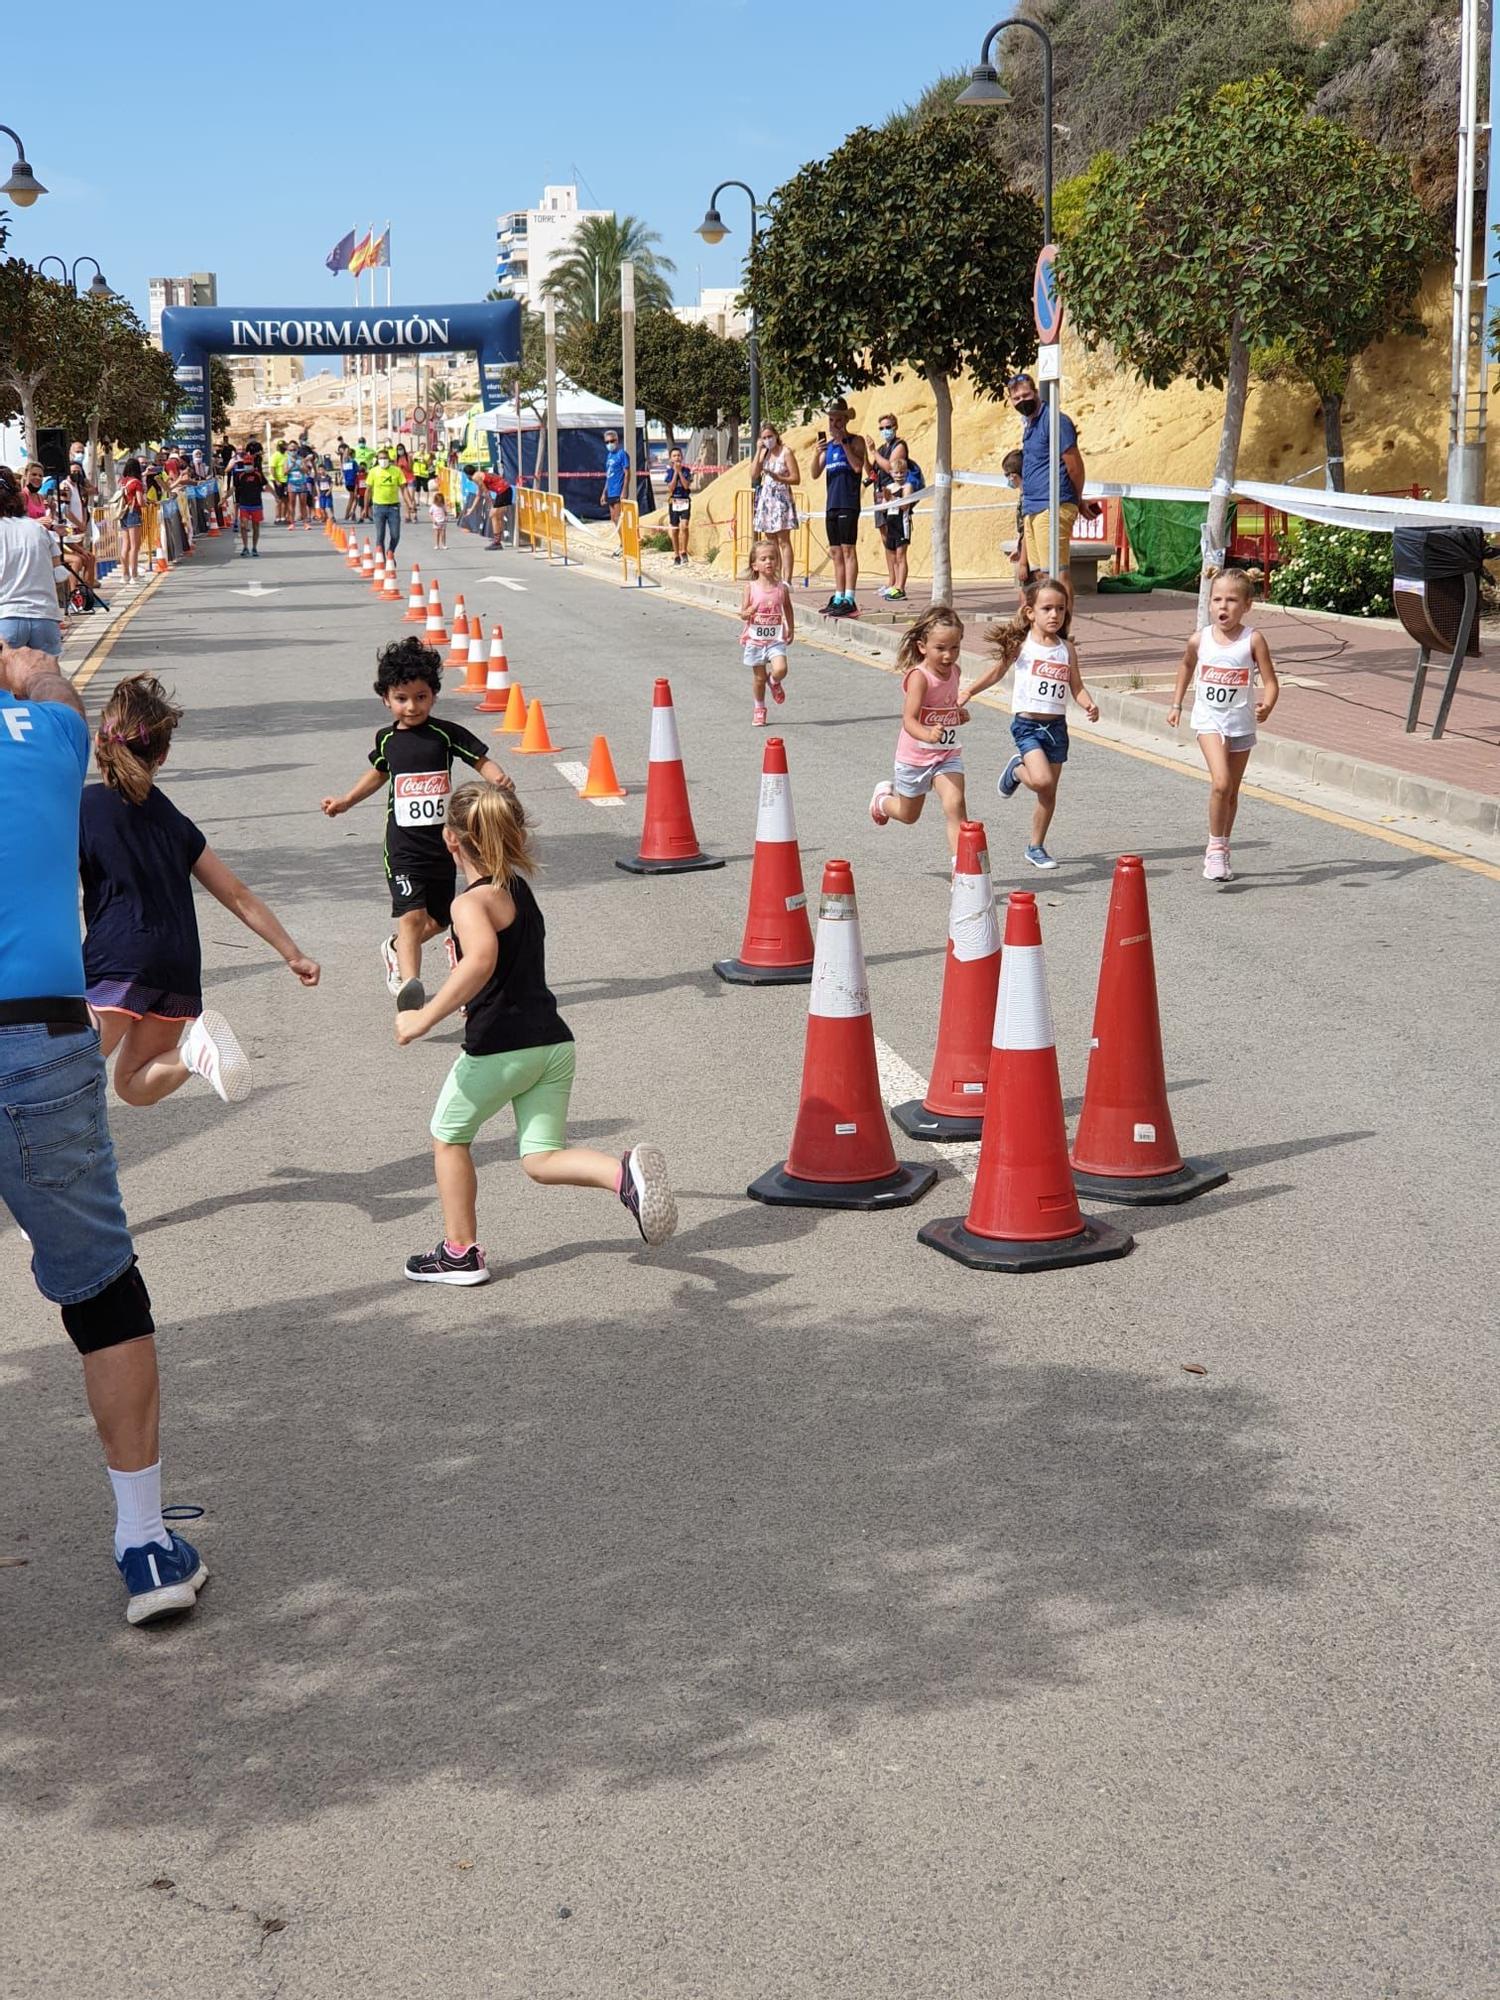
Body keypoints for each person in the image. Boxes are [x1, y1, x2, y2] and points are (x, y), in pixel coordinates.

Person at [0, 640, 205, 1627]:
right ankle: (144, 1543)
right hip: (39, 1035)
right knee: (102, 1291)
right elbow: (53, 686)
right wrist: (22, 663)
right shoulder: (43, 736)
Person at [395, 781, 677, 1285]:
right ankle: (623, 1176)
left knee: (448, 1137)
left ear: (450, 838)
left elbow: (480, 961)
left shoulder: (470, 903)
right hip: (553, 1042)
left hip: (501, 1048)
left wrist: (424, 1017)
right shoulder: (518, 889)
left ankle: (460, 1252)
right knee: (542, 1158)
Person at [80, 674, 319, 1107]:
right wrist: (292, 953)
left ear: (101, 742)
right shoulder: (173, 820)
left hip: (117, 957)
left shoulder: (84, 808)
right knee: (131, 1086)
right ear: (164, 755)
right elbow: (237, 894)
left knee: (66, 1070)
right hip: (178, 963)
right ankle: (193, 1052)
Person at [320, 635, 509, 1008]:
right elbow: (378, 774)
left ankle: (394, 950)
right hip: (403, 848)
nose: (412, 706)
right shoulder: (387, 740)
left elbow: (479, 760)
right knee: (410, 915)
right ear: (386, 700)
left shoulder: (445, 733)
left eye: (421, 697)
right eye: (402, 699)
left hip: (445, 845)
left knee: (438, 919)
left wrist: (497, 778)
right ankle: (411, 984)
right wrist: (346, 801)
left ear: (434, 696)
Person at [971, 573, 1100, 872]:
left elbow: (1076, 686)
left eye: (1060, 608)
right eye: (1047, 608)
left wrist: (1089, 704)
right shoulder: (1022, 645)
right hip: (1027, 725)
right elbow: (996, 673)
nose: (1055, 614)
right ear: (1030, 612)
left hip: (1057, 728)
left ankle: (1036, 846)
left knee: (1048, 792)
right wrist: (969, 690)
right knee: (1040, 780)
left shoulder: (1066, 649)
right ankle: (1017, 768)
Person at [1166, 569, 1280, 882]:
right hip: (1208, 719)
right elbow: (1186, 665)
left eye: (1231, 600)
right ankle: (1214, 849)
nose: (1223, 607)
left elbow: (1271, 683)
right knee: (1220, 782)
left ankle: (1223, 846)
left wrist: (1267, 705)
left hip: (1241, 721)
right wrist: (1176, 704)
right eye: (1217, 600)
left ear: (1247, 605)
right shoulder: (1199, 639)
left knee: (1231, 791)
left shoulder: (1252, 640)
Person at [868, 607, 971, 857]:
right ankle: (881, 802)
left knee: (955, 805)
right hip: (914, 758)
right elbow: (909, 720)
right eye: (941, 648)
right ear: (922, 646)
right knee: (908, 814)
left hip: (946, 755)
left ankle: (964, 872)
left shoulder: (955, 672)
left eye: (955, 648)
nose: (949, 656)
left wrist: (956, 714)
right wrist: (927, 735)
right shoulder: (920, 677)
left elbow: (943, 708)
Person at [1008, 374, 1093, 587]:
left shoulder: (1056, 421)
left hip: (1052, 506)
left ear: (1036, 392)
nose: (1021, 401)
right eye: (1016, 398)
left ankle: (1065, 620)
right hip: (1033, 507)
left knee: (1057, 575)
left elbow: (1074, 466)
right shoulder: (1030, 425)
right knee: (1042, 577)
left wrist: (1076, 499)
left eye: (1026, 395)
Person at [0, 466, 67, 654]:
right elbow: (59, 573)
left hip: (6, 617)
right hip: (44, 616)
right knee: (47, 680)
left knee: (5, 681)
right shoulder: (36, 528)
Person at [811, 399, 866, 617]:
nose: (834, 424)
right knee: (835, 552)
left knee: (847, 549)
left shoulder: (855, 441)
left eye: (838, 420)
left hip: (848, 502)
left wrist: (844, 442)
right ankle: (839, 595)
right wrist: (817, 453)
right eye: (831, 420)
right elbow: (815, 473)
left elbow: (857, 466)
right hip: (831, 503)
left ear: (845, 421)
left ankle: (850, 598)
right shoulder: (829, 447)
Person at [739, 538, 794, 726]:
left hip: (775, 638)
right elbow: (743, 613)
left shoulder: (781, 588)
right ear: (755, 565)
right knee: (759, 678)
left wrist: (791, 629)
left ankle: (775, 681)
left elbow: (788, 607)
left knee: (781, 669)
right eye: (763, 559)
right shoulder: (750, 588)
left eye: (772, 558)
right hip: (755, 639)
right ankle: (759, 708)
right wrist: (748, 613)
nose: (768, 562)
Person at [868, 414, 914, 603]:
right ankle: (892, 581)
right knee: (887, 541)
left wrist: (874, 453)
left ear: (895, 427)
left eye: (887, 427)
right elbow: (873, 472)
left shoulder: (899, 445)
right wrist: (867, 455)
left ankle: (899, 586)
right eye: (881, 428)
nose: (884, 431)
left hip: (897, 499)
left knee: (900, 548)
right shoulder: (880, 448)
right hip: (882, 497)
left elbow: (890, 467)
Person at [751, 424, 799, 588]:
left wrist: (779, 478)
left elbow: (796, 478)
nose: (767, 440)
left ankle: (787, 579)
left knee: (783, 540)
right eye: (764, 438)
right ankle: (774, 576)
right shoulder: (764, 453)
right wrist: (758, 451)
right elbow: (754, 474)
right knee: (770, 541)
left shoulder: (786, 452)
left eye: (769, 436)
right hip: (767, 499)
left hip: (781, 498)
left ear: (776, 436)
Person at [227, 442, 269, 557]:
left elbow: (267, 485)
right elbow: (233, 488)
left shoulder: (258, 474)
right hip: (244, 504)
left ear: (253, 464)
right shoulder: (239, 476)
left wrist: (276, 497)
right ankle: (245, 547)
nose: (247, 466)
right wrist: (224, 498)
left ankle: (254, 547)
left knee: (256, 527)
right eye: (246, 464)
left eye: (249, 464)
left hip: (256, 504)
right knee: (244, 526)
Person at [368, 448, 407, 557]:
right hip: (378, 507)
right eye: (380, 458)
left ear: (389, 459)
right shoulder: (373, 471)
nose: (383, 460)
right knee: (380, 535)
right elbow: (368, 490)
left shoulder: (396, 471)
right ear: (377, 459)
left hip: (393, 507)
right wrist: (366, 508)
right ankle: (382, 560)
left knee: (395, 535)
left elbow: (404, 488)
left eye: (385, 458)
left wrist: (409, 503)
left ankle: (390, 551)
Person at [115, 457, 147, 583]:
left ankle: (125, 574)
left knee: (125, 545)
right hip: (134, 512)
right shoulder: (136, 482)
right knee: (135, 546)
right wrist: (146, 503)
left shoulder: (123, 481)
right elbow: (140, 501)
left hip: (123, 512)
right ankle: (134, 574)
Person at [1000, 449, 1029, 584]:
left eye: (1006, 475)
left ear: (1013, 476)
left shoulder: (1028, 499)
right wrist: (1018, 549)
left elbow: (1028, 532)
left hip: (1030, 554)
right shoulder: (1025, 496)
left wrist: (1023, 563)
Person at [661, 447, 694, 567]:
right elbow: (670, 487)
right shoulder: (669, 472)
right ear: (671, 458)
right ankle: (676, 554)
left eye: (678, 455)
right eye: (674, 456)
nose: (677, 458)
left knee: (684, 526)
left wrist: (680, 472)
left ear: (682, 457)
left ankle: (684, 551)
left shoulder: (686, 470)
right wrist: (675, 472)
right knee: (675, 529)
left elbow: (686, 486)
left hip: (684, 500)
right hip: (674, 501)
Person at [600, 429, 630, 542]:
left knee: (619, 518)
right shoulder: (609, 456)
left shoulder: (621, 454)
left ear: (617, 441)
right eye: (607, 442)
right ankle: (623, 542)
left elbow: (627, 473)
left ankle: (625, 543)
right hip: (611, 491)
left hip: (618, 490)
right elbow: (608, 476)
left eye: (612, 441)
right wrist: (604, 493)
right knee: (614, 518)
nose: (609, 444)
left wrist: (624, 490)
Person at [269, 439, 289, 526]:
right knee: (279, 500)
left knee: (286, 499)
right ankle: (277, 518)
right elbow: (272, 469)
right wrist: (276, 480)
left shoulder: (286, 455)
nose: (284, 448)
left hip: (286, 480)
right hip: (278, 480)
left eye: (284, 446)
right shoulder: (275, 456)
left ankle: (283, 517)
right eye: (282, 446)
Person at [341, 447, 359, 519]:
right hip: (353, 482)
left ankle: (349, 514)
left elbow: (344, 472)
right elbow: (357, 471)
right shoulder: (353, 462)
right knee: (354, 499)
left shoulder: (345, 462)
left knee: (352, 499)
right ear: (353, 454)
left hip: (347, 483)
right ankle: (350, 513)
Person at [430, 486, 449, 550]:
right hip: (436, 522)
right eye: (438, 502)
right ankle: (437, 545)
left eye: (440, 502)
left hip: (443, 521)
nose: (439, 504)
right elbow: (430, 513)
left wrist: (446, 517)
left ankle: (443, 544)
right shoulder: (433, 506)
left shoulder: (443, 506)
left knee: (443, 533)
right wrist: (433, 520)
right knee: (437, 533)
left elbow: (446, 512)